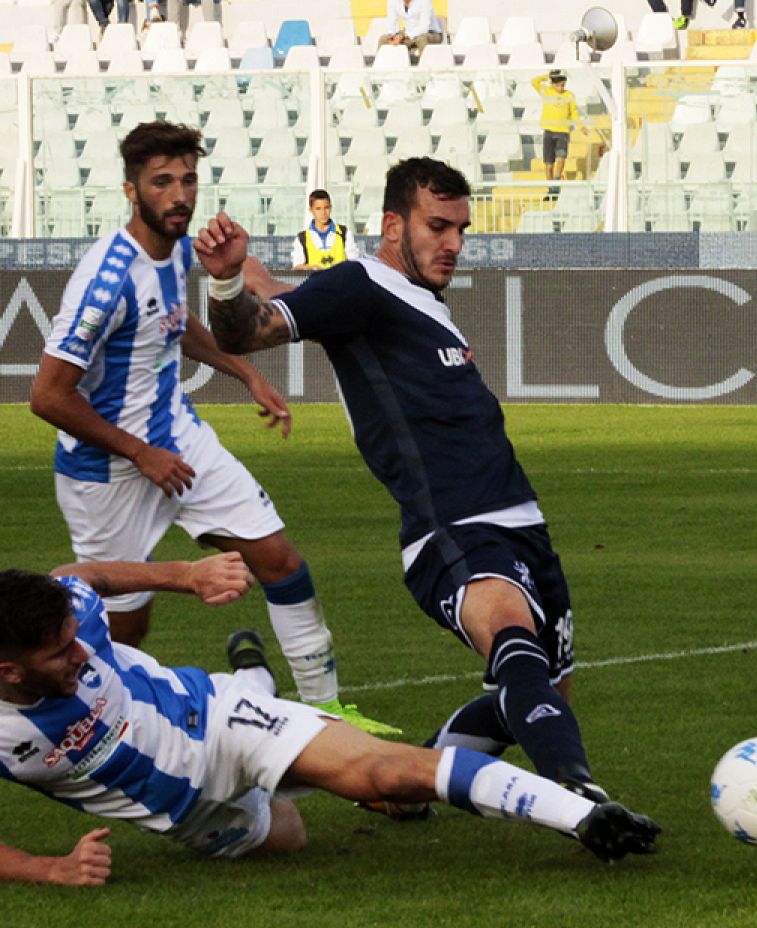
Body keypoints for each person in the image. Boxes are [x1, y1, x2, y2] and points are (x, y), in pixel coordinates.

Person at [194, 158, 638, 818]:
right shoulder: (360, 284)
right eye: (437, 226)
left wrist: (257, 276)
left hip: (523, 523)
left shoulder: (407, 298)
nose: (453, 243)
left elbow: (301, 296)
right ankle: (579, 797)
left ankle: (401, 784)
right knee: (515, 649)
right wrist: (229, 282)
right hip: (453, 528)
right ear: (393, 225)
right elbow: (249, 330)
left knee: (539, 697)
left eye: (461, 229)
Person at [28, 122, 399, 740]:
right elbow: (47, 395)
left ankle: (328, 713)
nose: (179, 195)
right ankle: (96, 734)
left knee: (279, 560)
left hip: (179, 439)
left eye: (188, 180)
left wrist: (246, 373)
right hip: (107, 473)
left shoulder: (177, 249)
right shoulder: (105, 280)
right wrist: (140, 453)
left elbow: (176, 325)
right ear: (131, 191)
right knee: (124, 632)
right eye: (162, 182)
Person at [0, 557, 658, 886]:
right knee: (290, 837)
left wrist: (188, 574)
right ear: (9, 670)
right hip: (192, 816)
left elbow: (80, 574)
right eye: (61, 654)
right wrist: (48, 868)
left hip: (219, 721)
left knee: (381, 775)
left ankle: (582, 815)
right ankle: (256, 675)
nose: (83, 654)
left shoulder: (71, 617)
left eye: (77, 639)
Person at [292, 189, 351, 272]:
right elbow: (297, 267)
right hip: (316, 280)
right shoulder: (302, 238)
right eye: (318, 209)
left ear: (331, 208)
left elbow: (355, 262)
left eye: (326, 208)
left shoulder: (344, 233)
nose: (323, 213)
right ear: (311, 210)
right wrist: (310, 268)